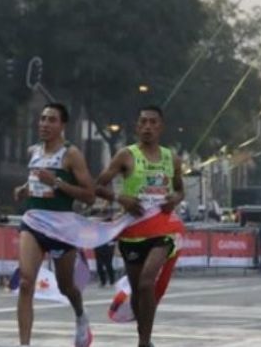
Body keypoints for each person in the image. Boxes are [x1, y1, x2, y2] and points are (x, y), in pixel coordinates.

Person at [95, 106, 185, 347]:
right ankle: (142, 335)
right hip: (133, 232)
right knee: (138, 291)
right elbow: (98, 186)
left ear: (160, 127)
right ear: (137, 127)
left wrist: (174, 200)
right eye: (143, 122)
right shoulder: (125, 155)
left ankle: (144, 342)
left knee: (147, 282)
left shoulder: (172, 158)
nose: (147, 126)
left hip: (163, 230)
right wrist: (120, 198)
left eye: (153, 122)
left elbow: (179, 189)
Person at [13, 103, 96, 347]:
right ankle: (24, 343)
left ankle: (80, 315)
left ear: (62, 126)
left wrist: (57, 182)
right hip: (33, 223)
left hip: (61, 228)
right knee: (26, 282)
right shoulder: (35, 151)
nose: (45, 124)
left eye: (51, 120)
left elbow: (89, 195)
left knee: (66, 286)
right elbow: (36, 183)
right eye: (42, 119)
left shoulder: (71, 154)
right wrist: (23, 189)